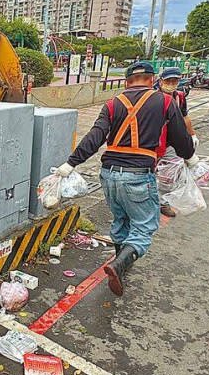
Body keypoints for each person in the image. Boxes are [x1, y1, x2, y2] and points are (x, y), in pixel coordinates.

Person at [55, 62, 198, 296]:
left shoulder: (112, 104)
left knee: (121, 219)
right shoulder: (164, 102)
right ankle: (119, 264)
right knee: (144, 226)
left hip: (109, 174)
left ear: (126, 81)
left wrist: (70, 163)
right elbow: (180, 137)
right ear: (152, 80)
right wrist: (191, 158)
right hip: (138, 175)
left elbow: (95, 136)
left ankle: (121, 263)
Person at [156, 67, 199, 218]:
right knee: (149, 173)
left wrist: (192, 135)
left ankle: (163, 202)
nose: (172, 84)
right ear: (161, 81)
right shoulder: (153, 96)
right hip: (153, 141)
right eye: (168, 81)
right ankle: (148, 202)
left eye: (175, 81)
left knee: (168, 175)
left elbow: (185, 117)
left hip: (172, 142)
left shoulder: (179, 97)